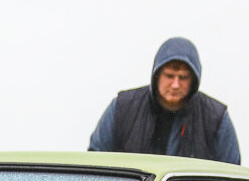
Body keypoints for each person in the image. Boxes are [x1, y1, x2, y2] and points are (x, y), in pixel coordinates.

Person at [88, 37, 240, 163]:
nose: (175, 84)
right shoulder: (123, 106)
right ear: (157, 75)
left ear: (194, 80)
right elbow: (95, 163)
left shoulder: (215, 118)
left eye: (183, 77)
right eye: (169, 75)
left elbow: (232, 177)